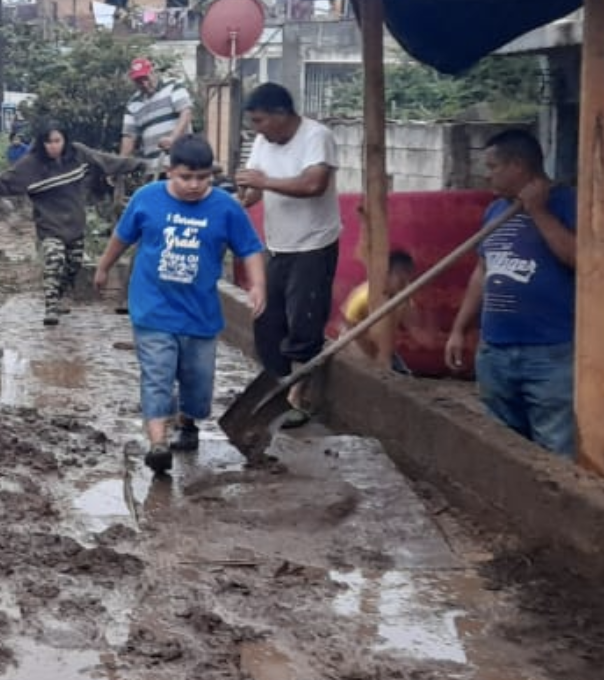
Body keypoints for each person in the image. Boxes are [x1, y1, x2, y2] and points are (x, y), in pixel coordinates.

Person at [94, 136, 267, 474]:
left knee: (197, 384)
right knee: (157, 375)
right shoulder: (147, 199)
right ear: (170, 171)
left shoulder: (226, 208)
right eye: (186, 177)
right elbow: (122, 236)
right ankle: (158, 443)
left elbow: (249, 248)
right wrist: (103, 266)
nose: (194, 185)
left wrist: (258, 285)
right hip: (152, 309)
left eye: (203, 177)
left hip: (200, 314)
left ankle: (187, 422)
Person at [446, 129, 578, 458]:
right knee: (503, 448)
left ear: (517, 165)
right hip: (495, 349)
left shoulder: (566, 202)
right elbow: (483, 271)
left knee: (555, 450)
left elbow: (580, 260)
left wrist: (538, 211)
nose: (487, 174)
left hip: (550, 352)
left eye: (493, 166)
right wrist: (459, 329)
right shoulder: (495, 212)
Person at [232, 82, 341, 429]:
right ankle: (277, 387)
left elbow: (313, 185)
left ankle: (300, 397)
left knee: (304, 321)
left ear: (281, 114)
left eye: (260, 121)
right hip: (278, 244)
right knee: (267, 320)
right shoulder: (263, 142)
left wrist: (264, 182)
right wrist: (242, 194)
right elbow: (253, 193)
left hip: (313, 245)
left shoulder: (316, 136)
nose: (257, 129)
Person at [0, 123, 146, 326]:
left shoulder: (78, 155)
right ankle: (51, 307)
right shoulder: (31, 165)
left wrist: (137, 164)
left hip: (75, 224)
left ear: (65, 141)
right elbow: (5, 181)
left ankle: (59, 296)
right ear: (41, 144)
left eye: (57, 141)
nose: (53, 146)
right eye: (48, 142)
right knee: (55, 259)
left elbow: (105, 161)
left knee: (73, 265)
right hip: (49, 225)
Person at [342, 248, 417, 370]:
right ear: (387, 273)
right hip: (356, 346)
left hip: (382, 348)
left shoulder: (404, 299)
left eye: (408, 276)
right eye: (400, 275)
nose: (405, 281)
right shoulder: (364, 296)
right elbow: (350, 327)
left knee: (402, 373)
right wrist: (372, 356)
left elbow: (414, 327)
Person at [119, 56, 194, 179]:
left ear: (153, 73)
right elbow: (129, 137)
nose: (144, 84)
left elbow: (186, 112)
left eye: (145, 78)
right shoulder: (133, 103)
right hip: (153, 168)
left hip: (181, 162)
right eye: (139, 81)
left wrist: (173, 138)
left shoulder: (173, 86)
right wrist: (120, 164)